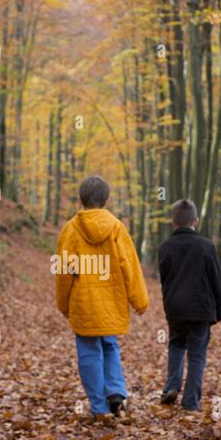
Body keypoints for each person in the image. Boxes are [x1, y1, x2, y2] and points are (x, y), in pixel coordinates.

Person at [54, 175, 149, 423]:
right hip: (111, 302)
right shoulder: (117, 228)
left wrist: (63, 304)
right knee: (110, 345)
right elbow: (130, 265)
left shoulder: (70, 230)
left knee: (89, 352)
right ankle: (116, 391)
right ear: (106, 200)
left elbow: (64, 272)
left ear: (80, 199)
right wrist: (139, 301)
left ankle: (98, 407)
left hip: (84, 304)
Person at [158, 198, 221, 412]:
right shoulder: (206, 246)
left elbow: (165, 278)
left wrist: (169, 303)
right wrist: (220, 311)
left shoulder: (165, 247)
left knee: (176, 345)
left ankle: (171, 386)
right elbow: (217, 280)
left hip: (176, 306)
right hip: (201, 309)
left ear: (173, 222)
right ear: (195, 221)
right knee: (197, 354)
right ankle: (191, 401)